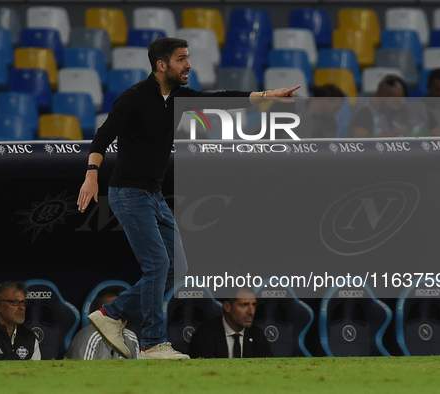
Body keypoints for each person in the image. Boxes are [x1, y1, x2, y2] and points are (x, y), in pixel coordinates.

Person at [77, 37, 299, 360]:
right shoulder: (134, 98)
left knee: (176, 267)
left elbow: (221, 100)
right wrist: (92, 173)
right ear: (161, 65)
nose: (189, 65)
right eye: (182, 59)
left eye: (188, 58)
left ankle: (112, 313)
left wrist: (267, 97)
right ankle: (152, 343)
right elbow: (102, 136)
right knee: (158, 265)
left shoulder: (178, 97)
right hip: (128, 194)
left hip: (153, 195)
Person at [188, 287, 273, 358]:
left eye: (253, 305)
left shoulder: (257, 335)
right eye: (244, 305)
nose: (251, 312)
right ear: (227, 307)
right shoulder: (205, 334)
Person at [348, 75, 439, 138]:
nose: (401, 102)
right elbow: (359, 144)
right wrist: (392, 134)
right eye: (397, 98)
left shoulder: (387, 112)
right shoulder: (364, 112)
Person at [65, 286, 140, 359]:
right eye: (114, 312)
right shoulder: (89, 337)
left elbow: (139, 370)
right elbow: (84, 371)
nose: (121, 318)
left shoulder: (130, 337)